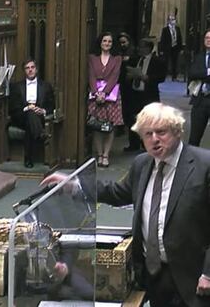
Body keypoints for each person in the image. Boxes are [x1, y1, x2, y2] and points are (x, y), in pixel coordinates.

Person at [42, 103, 210, 307]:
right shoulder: (142, 164)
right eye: (148, 134)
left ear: (177, 132)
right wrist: (74, 186)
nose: (154, 139)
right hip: (154, 274)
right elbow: (116, 192)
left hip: (193, 278)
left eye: (161, 132)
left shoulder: (203, 165)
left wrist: (208, 273)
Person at [8, 58, 55, 168]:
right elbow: (13, 107)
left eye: (32, 67)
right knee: (30, 115)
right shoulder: (17, 86)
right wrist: (27, 108)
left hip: (39, 116)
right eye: (27, 68)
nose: (30, 70)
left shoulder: (46, 86)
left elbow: (51, 105)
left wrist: (42, 110)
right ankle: (40, 134)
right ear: (24, 71)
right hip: (21, 116)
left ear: (36, 69)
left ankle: (28, 159)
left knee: (31, 121)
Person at [88, 31, 123, 167]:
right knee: (96, 126)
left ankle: (106, 155)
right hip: (95, 95)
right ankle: (99, 154)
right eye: (104, 41)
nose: (107, 44)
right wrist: (96, 93)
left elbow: (115, 76)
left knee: (109, 127)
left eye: (109, 41)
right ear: (100, 42)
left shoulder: (117, 58)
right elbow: (91, 75)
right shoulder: (92, 58)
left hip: (111, 95)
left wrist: (105, 93)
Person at [124, 38, 166, 151]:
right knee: (133, 119)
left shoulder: (157, 61)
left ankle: (147, 144)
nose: (139, 49)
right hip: (134, 94)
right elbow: (126, 72)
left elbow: (161, 77)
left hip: (148, 95)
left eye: (142, 47)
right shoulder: (135, 59)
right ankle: (133, 144)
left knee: (148, 121)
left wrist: (146, 78)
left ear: (148, 48)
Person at [188, 28, 210, 147]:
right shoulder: (199, 57)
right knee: (194, 137)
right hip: (200, 100)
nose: (208, 40)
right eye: (206, 38)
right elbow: (192, 74)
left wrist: (202, 74)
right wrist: (207, 73)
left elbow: (198, 74)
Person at [117, 32, 136, 139]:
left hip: (129, 83)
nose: (122, 45)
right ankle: (120, 126)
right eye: (120, 43)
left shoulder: (132, 53)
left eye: (124, 42)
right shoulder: (117, 53)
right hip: (119, 82)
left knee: (128, 107)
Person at [159, 14, 183, 81]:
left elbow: (180, 39)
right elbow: (162, 40)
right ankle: (164, 75)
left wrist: (181, 48)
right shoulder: (165, 29)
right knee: (166, 62)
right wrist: (161, 49)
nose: (173, 21)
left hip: (175, 48)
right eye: (171, 19)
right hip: (167, 48)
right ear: (168, 21)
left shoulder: (177, 29)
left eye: (174, 19)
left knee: (174, 62)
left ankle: (174, 76)